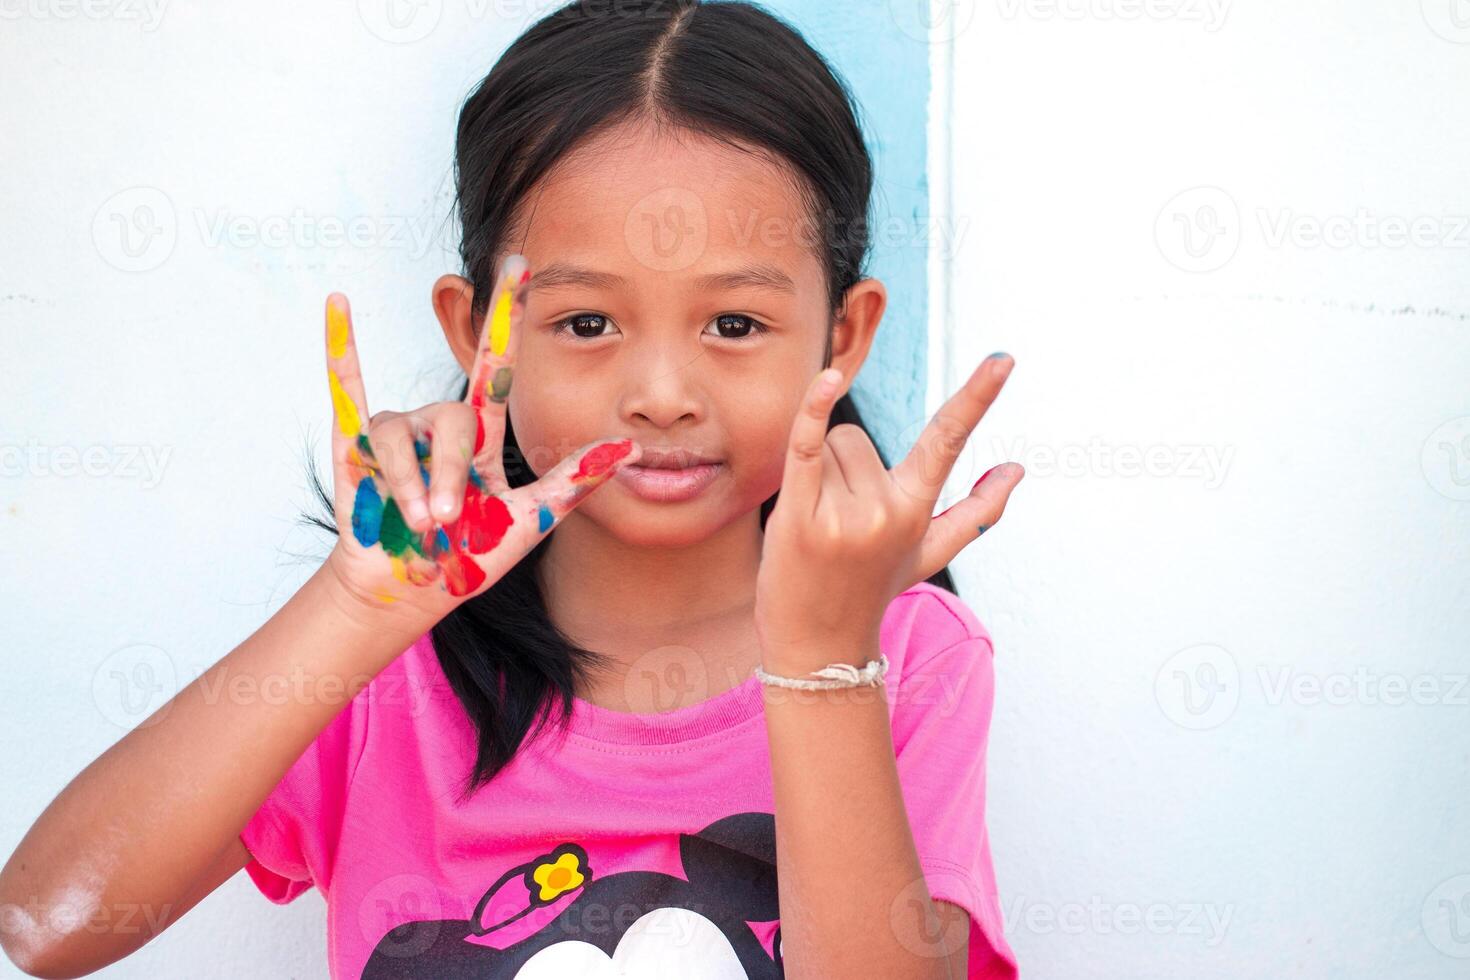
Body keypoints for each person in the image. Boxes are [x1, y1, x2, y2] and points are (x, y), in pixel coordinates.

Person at [0, 1, 1024, 976]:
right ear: (473, 328)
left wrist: (818, 662)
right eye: (586, 324)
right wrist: (354, 610)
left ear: (841, 335)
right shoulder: (386, 659)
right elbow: (48, 922)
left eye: (734, 324)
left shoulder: (904, 655)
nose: (662, 395)